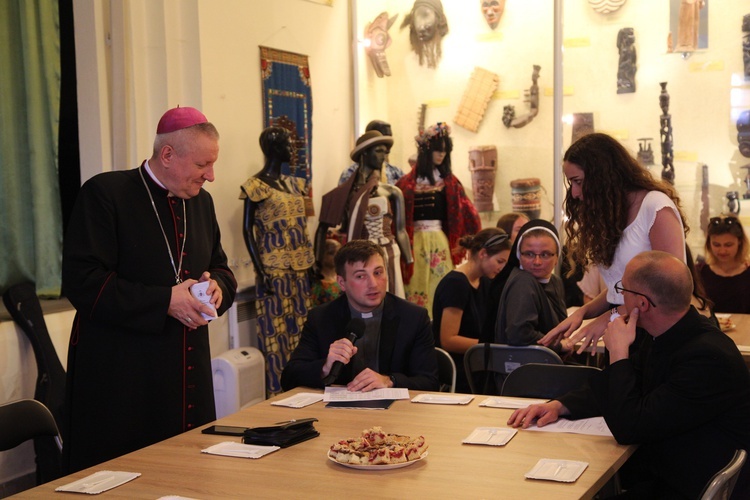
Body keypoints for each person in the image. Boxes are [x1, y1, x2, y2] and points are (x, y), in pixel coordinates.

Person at [61, 106, 237, 473]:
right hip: (123, 376)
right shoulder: (105, 193)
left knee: (188, 473)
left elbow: (220, 265)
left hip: (188, 368)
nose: (212, 176)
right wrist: (164, 300)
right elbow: (83, 281)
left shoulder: (201, 202)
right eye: (203, 165)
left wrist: (219, 286)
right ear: (168, 155)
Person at [508, 251, 750, 499]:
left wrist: (618, 352)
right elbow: (624, 383)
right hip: (668, 471)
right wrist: (560, 406)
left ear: (642, 304)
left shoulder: (706, 358)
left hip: (688, 486)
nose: (619, 296)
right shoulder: (666, 333)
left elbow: (630, 428)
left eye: (623, 289)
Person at [540, 133, 688, 354]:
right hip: (626, 333)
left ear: (603, 175)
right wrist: (584, 313)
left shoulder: (655, 207)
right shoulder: (611, 214)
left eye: (578, 182)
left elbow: (670, 289)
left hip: (659, 338)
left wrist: (609, 316)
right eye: (571, 183)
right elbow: (619, 291)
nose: (574, 192)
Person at [281, 240, 439, 392]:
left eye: (378, 273)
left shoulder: (413, 317)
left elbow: (430, 382)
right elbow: (289, 378)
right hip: (339, 414)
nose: (373, 284)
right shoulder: (321, 317)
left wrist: (389, 380)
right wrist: (325, 367)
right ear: (342, 283)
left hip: (397, 413)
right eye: (360, 276)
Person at [240, 126, 315, 396]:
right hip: (274, 271)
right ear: (273, 149)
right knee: (276, 335)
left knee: (304, 333)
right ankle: (279, 394)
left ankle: (306, 391)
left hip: (302, 267)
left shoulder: (295, 184)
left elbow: (303, 226)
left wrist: (312, 263)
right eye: (286, 145)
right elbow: (247, 229)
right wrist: (260, 270)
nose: (291, 150)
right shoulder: (255, 186)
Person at [396, 122, 481, 315]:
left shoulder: (450, 183)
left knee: (441, 284)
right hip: (414, 243)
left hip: (440, 243)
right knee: (415, 285)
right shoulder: (406, 184)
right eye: (437, 150)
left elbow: (468, 213)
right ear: (427, 151)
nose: (441, 154)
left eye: (444, 150)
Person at [317, 130, 412, 298]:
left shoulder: (392, 191)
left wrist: (409, 260)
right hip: (359, 256)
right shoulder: (345, 193)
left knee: (392, 301)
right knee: (364, 301)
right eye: (379, 151)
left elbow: (400, 230)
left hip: (388, 251)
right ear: (364, 153)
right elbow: (323, 227)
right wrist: (316, 261)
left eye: (385, 151)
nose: (384, 156)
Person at [432, 228, 511, 393]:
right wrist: (493, 346)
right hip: (460, 368)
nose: (502, 268)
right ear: (483, 253)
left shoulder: (485, 281)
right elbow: (448, 340)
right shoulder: (456, 284)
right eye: (500, 261)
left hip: (478, 362)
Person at [495, 220, 569, 354]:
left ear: (557, 257)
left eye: (545, 254)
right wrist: (559, 346)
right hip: (524, 369)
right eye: (529, 254)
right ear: (518, 256)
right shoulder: (523, 282)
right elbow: (520, 334)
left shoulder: (555, 282)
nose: (537, 262)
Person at [698, 216, 750, 313]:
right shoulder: (700, 272)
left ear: (739, 241)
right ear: (709, 243)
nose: (722, 251)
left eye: (728, 245)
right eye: (716, 245)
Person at [338, 120, 404, 186]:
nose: (385, 145)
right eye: (383, 137)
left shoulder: (396, 173)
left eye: (390, 137)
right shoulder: (350, 174)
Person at [400, 0, 449, 69]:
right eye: (418, 17)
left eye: (426, 16)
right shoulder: (408, 60)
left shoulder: (451, 55)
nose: (421, 26)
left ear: (438, 19)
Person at [310, 238, 342, 305]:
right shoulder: (316, 280)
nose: (336, 256)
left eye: (338, 253)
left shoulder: (343, 277)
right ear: (322, 254)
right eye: (331, 253)